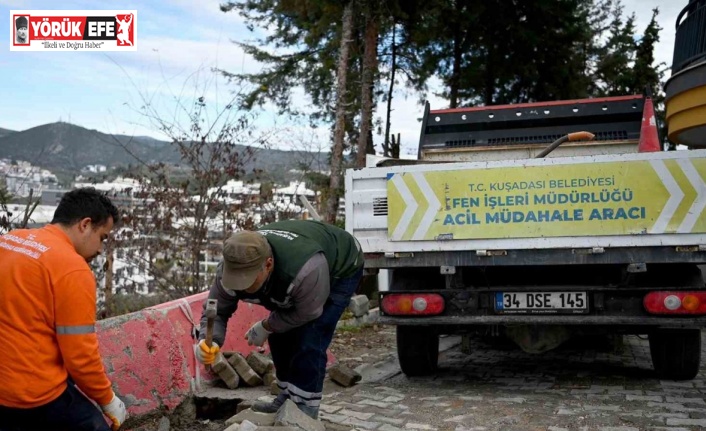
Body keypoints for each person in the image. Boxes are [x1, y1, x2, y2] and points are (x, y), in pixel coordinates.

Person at [196, 219, 364, 419]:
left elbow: (308, 313)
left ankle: (304, 411)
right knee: (280, 335)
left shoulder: (305, 269)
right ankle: (286, 397)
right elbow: (217, 310)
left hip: (341, 266)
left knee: (311, 337)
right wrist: (208, 342)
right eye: (236, 279)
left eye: (248, 280)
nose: (241, 287)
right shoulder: (231, 266)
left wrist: (267, 325)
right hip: (293, 277)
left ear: (268, 265)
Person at [0, 188, 127, 431]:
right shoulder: (72, 269)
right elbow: (80, 357)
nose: (100, 249)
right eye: (102, 237)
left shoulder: (10, 240)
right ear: (85, 225)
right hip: (30, 396)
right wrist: (107, 399)